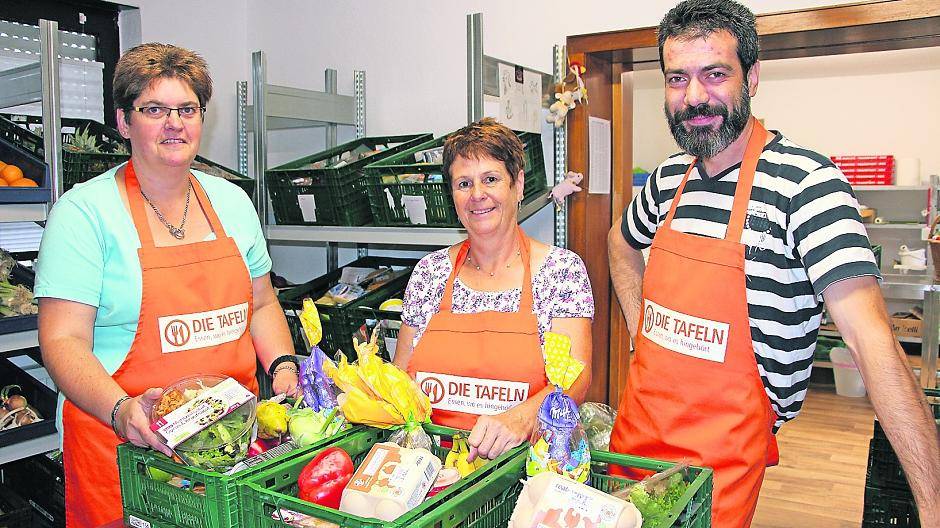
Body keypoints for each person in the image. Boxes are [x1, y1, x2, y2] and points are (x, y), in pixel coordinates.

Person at [607, 1, 940, 526]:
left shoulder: (808, 185)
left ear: (753, 76)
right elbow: (620, 243)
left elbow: (872, 340)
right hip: (633, 442)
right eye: (677, 79)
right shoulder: (667, 179)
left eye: (714, 74)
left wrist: (933, 504)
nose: (694, 98)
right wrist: (638, 330)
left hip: (720, 466)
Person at [35, 43, 298, 527]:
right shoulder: (83, 214)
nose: (174, 123)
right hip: (124, 451)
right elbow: (61, 340)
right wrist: (120, 410)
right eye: (154, 109)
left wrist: (281, 366)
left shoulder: (234, 203)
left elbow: (261, 305)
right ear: (123, 121)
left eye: (187, 109)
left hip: (230, 445)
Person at [393, 118, 594, 461]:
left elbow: (576, 378)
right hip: (433, 471)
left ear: (517, 185)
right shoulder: (430, 274)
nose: (477, 195)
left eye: (490, 179)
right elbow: (400, 377)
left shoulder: (560, 272)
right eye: (463, 183)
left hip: (523, 470)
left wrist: (518, 420)